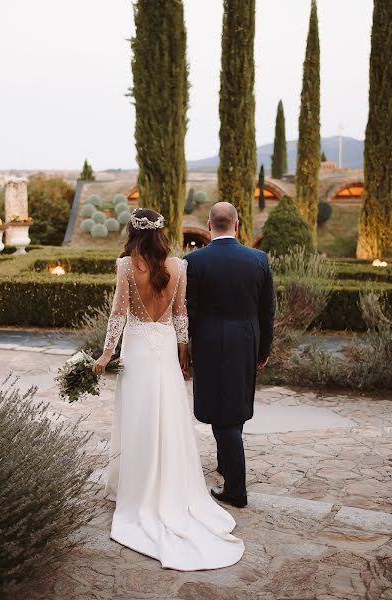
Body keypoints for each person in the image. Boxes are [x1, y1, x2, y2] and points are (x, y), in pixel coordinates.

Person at [93, 208, 244, 571]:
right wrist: (183, 352)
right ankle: (171, 487)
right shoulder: (179, 266)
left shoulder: (126, 266)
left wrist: (106, 353)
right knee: (168, 418)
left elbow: (118, 313)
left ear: (132, 232)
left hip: (138, 349)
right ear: (161, 234)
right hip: (163, 351)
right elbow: (181, 315)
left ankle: (135, 487)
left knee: (137, 417)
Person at [185, 202, 275, 509]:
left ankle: (236, 490)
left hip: (209, 343)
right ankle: (226, 464)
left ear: (209, 226)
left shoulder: (193, 261)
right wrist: (264, 350)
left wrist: (185, 348)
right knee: (233, 406)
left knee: (223, 412)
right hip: (246, 343)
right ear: (237, 225)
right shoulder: (258, 259)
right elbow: (268, 311)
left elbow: (190, 313)